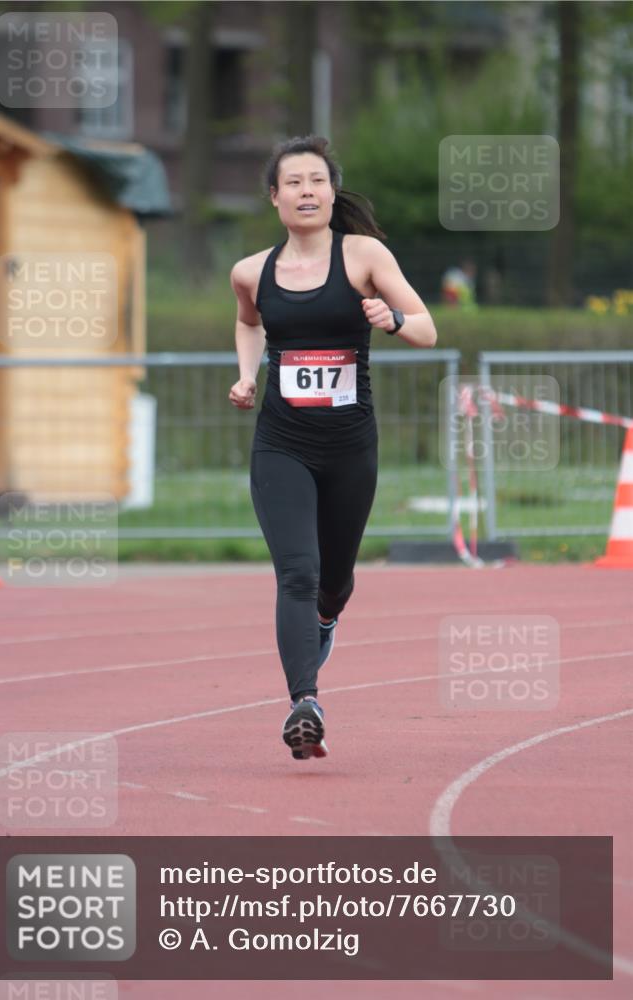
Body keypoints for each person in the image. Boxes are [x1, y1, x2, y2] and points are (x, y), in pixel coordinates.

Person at [228, 135, 437, 761]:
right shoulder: (250, 271)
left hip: (349, 445)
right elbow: (248, 321)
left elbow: (428, 329)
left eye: (316, 180)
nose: (307, 192)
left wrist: (392, 321)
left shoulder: (363, 255)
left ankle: (326, 622)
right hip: (281, 443)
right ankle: (305, 702)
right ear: (275, 197)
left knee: (334, 581)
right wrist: (247, 373)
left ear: (331, 190)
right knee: (297, 571)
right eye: (293, 182)